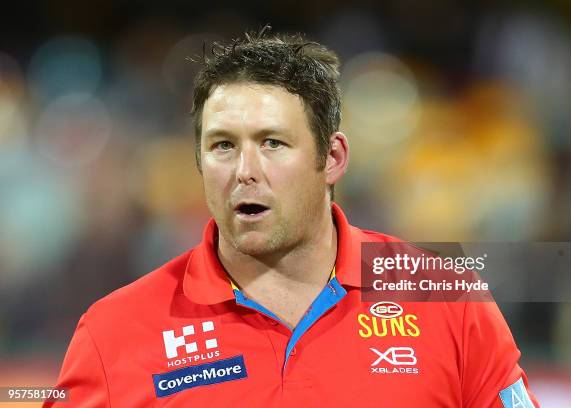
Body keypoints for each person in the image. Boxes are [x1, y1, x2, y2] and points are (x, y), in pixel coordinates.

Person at [45, 27, 540, 407]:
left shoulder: (444, 299)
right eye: (222, 146)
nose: (244, 171)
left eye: (272, 143)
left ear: (333, 158)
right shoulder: (115, 331)